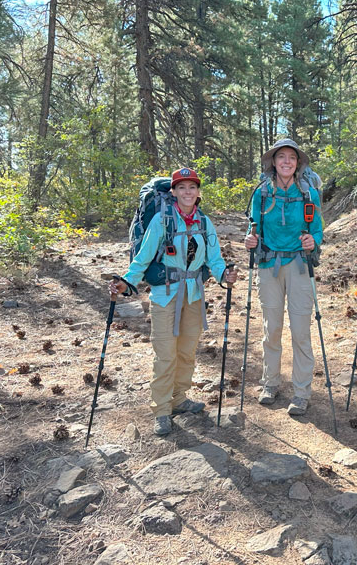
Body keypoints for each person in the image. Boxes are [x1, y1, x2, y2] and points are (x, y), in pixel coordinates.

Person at [109, 168, 237, 436]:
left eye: (192, 187)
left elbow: (214, 259)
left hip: (194, 294)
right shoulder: (161, 220)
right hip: (165, 295)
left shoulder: (204, 222)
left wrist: (225, 274)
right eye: (182, 187)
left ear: (198, 192)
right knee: (165, 353)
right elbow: (143, 258)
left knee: (187, 351)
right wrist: (126, 281)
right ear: (174, 192)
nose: (187, 192)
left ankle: (179, 398)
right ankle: (162, 410)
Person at [243, 139, 322, 416]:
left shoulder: (309, 193)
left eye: (292, 157)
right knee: (271, 328)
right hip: (268, 266)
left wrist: (314, 240)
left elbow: (318, 231)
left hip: (300, 265)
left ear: (298, 163)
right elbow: (252, 228)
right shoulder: (261, 194)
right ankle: (270, 383)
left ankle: (301, 393)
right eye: (281, 157)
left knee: (301, 332)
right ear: (273, 163)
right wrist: (249, 240)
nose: (286, 162)